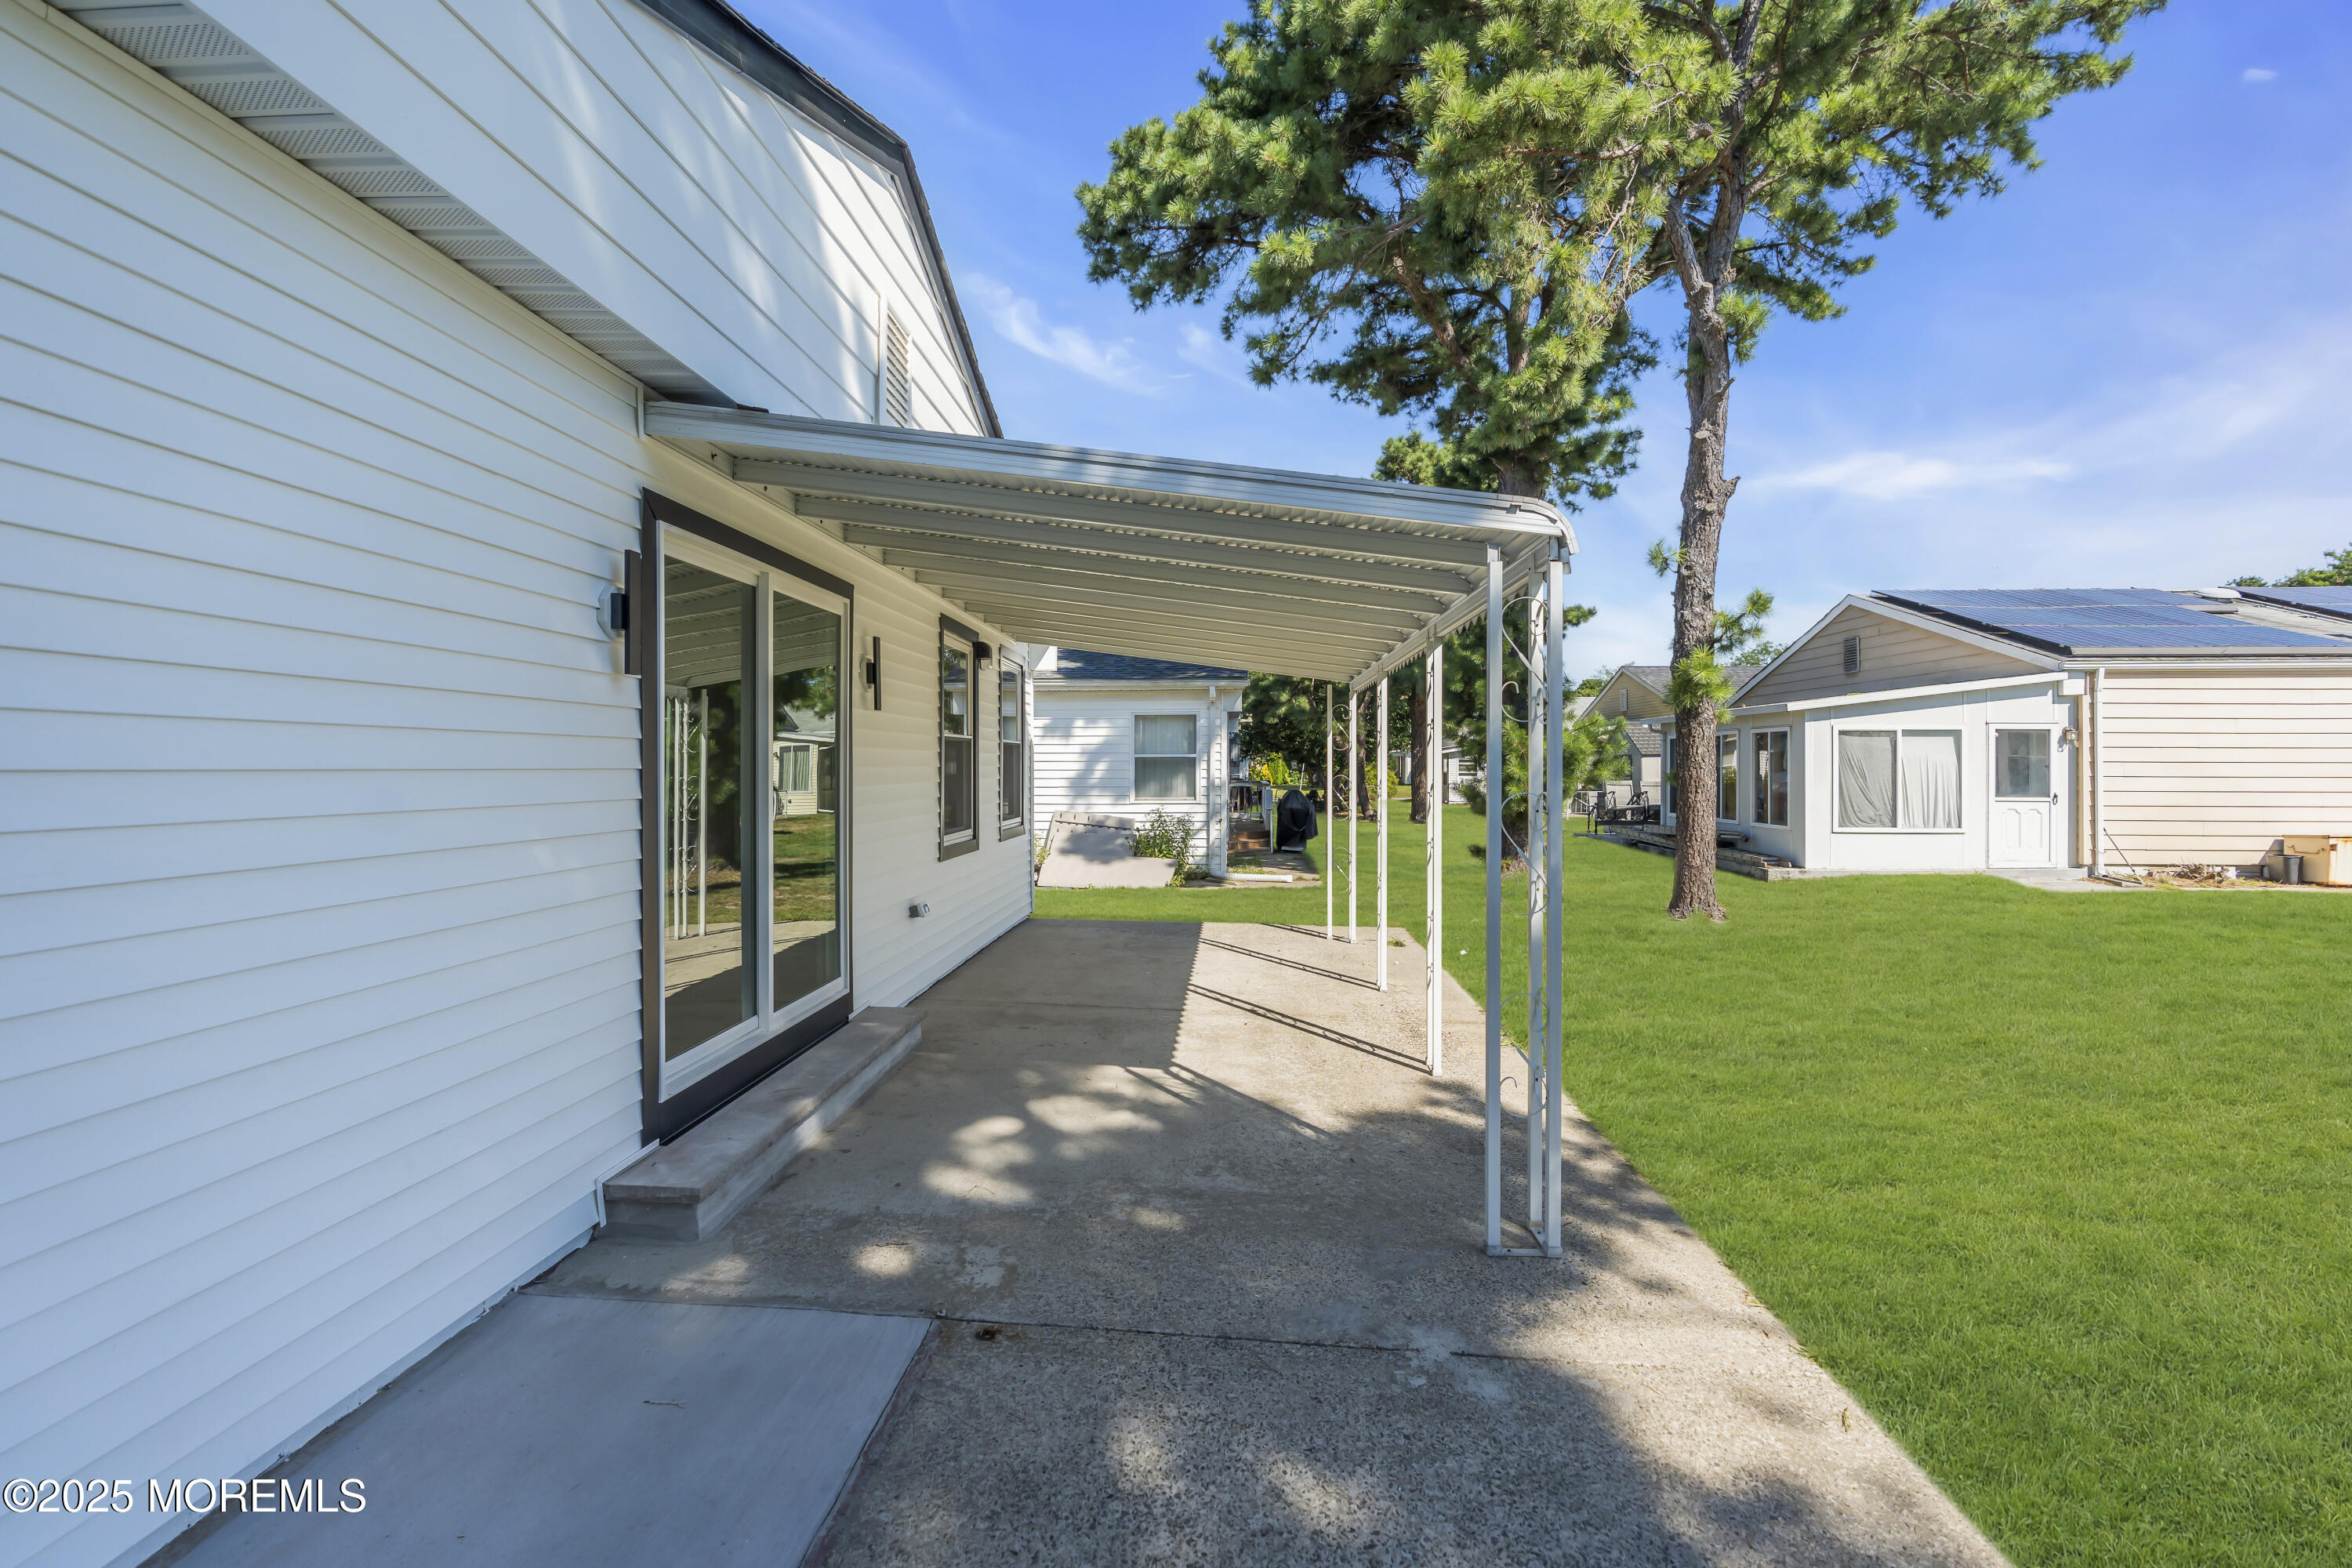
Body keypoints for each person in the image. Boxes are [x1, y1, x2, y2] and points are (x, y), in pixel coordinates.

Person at [1275, 787, 1319, 851]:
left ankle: (1286, 845)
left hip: (1285, 843)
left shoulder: (1285, 807)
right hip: (1300, 844)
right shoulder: (1308, 806)